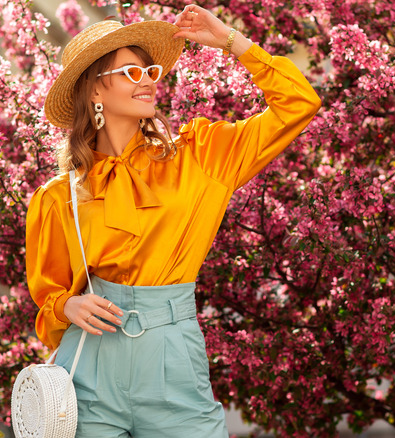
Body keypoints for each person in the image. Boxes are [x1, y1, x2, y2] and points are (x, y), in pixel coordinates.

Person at [26, 4, 321, 437]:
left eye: (149, 73)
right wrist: (67, 304)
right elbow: (49, 294)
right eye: (129, 73)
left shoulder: (201, 156)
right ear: (94, 91)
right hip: (88, 369)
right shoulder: (58, 197)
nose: (145, 80)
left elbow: (299, 105)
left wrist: (231, 42)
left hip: (172, 361)